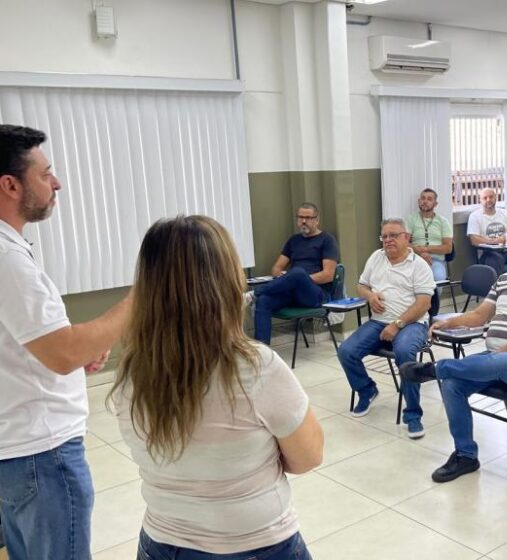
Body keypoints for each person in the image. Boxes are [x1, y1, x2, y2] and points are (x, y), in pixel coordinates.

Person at [110, 215, 322, 559]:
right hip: (255, 544)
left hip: (160, 543)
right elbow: (307, 457)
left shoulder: (131, 372)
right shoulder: (257, 368)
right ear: (224, 280)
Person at [0, 124, 132, 559]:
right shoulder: (7, 259)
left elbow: (39, 345)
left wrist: (75, 352)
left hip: (18, 451)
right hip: (42, 453)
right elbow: (63, 351)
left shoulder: (12, 248)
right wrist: (143, 297)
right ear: (10, 185)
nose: (56, 183)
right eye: (45, 173)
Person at [400, 228, 507, 483]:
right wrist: (449, 322)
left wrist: (502, 354)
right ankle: (466, 455)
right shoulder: (502, 280)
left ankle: (435, 369)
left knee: (496, 360)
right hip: (493, 362)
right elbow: (480, 316)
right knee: (453, 385)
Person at [337, 218, 435, 438]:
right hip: (378, 321)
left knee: (405, 354)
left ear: (406, 237)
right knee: (346, 351)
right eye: (385, 236)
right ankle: (367, 389)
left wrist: (397, 324)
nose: (388, 240)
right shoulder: (376, 257)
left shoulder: (418, 265)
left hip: (412, 323)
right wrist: (370, 295)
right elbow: (361, 286)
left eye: (393, 235)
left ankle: (413, 415)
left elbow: (423, 304)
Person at [252, 202, 339, 344]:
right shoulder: (294, 241)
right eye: (300, 217)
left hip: (316, 295)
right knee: (264, 301)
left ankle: (253, 293)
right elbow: (276, 269)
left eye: (308, 218)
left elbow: (328, 275)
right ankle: (263, 352)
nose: (303, 221)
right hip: (292, 293)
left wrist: (298, 279)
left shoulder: (327, 240)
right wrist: (285, 278)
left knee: (298, 273)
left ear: (317, 220)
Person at [406, 188, 453, 315]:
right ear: (418, 201)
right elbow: (405, 242)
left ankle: (431, 311)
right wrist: (420, 253)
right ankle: (414, 311)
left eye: (429, 199)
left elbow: (448, 247)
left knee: (437, 278)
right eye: (423, 198)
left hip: (436, 260)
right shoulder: (411, 219)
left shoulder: (443, 222)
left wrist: (426, 249)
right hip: (415, 259)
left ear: (435, 204)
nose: (425, 201)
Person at [467, 187, 507, 273]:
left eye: (491, 197)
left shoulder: (505, 213)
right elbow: (474, 240)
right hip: (488, 253)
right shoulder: (475, 216)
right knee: (495, 260)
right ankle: (498, 286)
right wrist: (494, 241)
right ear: (480, 200)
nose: (488, 200)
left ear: (495, 198)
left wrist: (505, 238)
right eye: (485, 198)